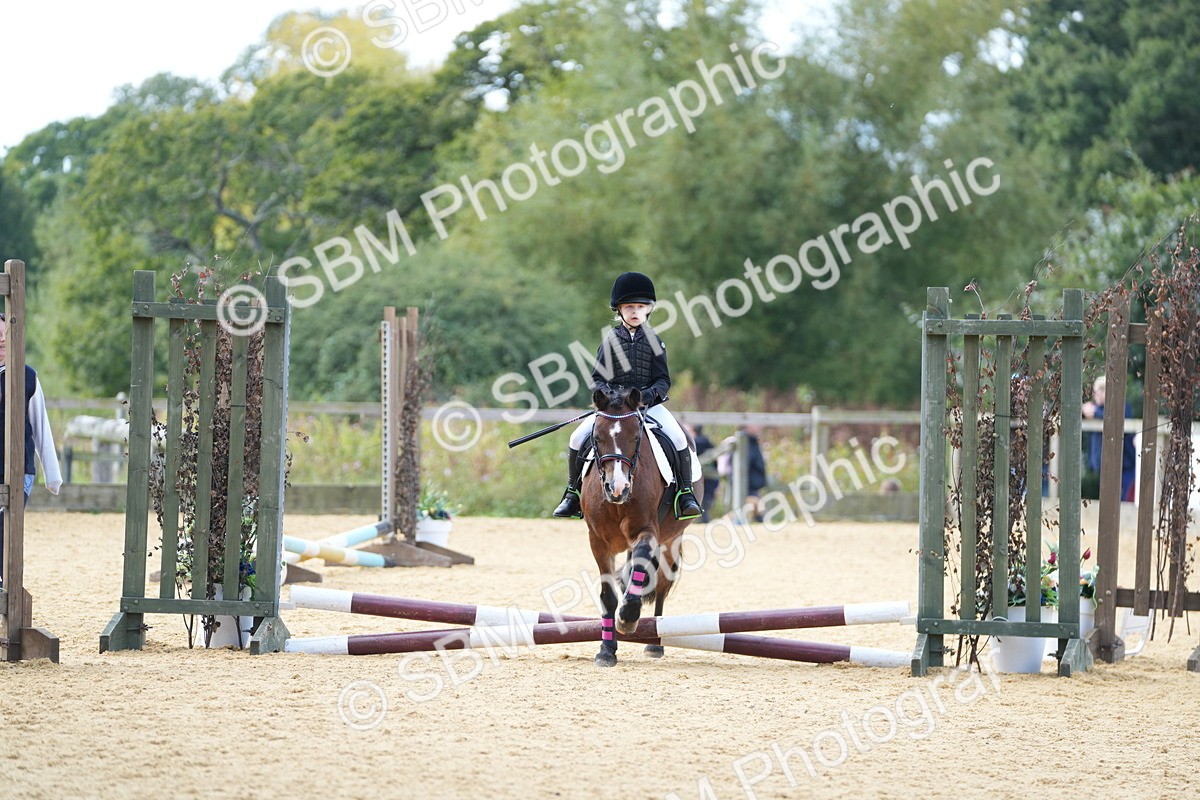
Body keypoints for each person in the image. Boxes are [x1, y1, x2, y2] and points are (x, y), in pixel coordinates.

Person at [552, 272, 702, 520]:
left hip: (647, 406)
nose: (635, 311)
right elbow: (597, 379)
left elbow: (663, 380)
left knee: (678, 438)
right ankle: (571, 494)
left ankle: (685, 493)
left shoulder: (655, 341)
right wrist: (610, 396)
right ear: (619, 310)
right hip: (613, 408)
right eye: (629, 306)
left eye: (640, 307)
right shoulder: (609, 341)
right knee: (577, 437)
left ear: (648, 311)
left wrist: (647, 396)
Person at [0, 312, 63, 586]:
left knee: (6, 532)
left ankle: (6, 589)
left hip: (18, 470)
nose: (1, 341)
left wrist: (53, 475)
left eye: (5, 335)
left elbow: (41, 427)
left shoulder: (27, 377)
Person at [1082, 375, 1137, 502]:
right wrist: (1086, 411)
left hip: (1125, 467)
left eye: (1098, 391)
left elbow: (1114, 420)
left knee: (1123, 501)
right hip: (1106, 466)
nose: (1095, 396)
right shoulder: (1099, 408)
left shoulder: (1122, 406)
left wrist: (1094, 412)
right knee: (1108, 501)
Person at [686, 424, 720, 523]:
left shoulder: (694, 442)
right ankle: (705, 518)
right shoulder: (708, 442)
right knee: (707, 500)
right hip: (711, 476)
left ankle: (701, 519)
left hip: (697, 476)